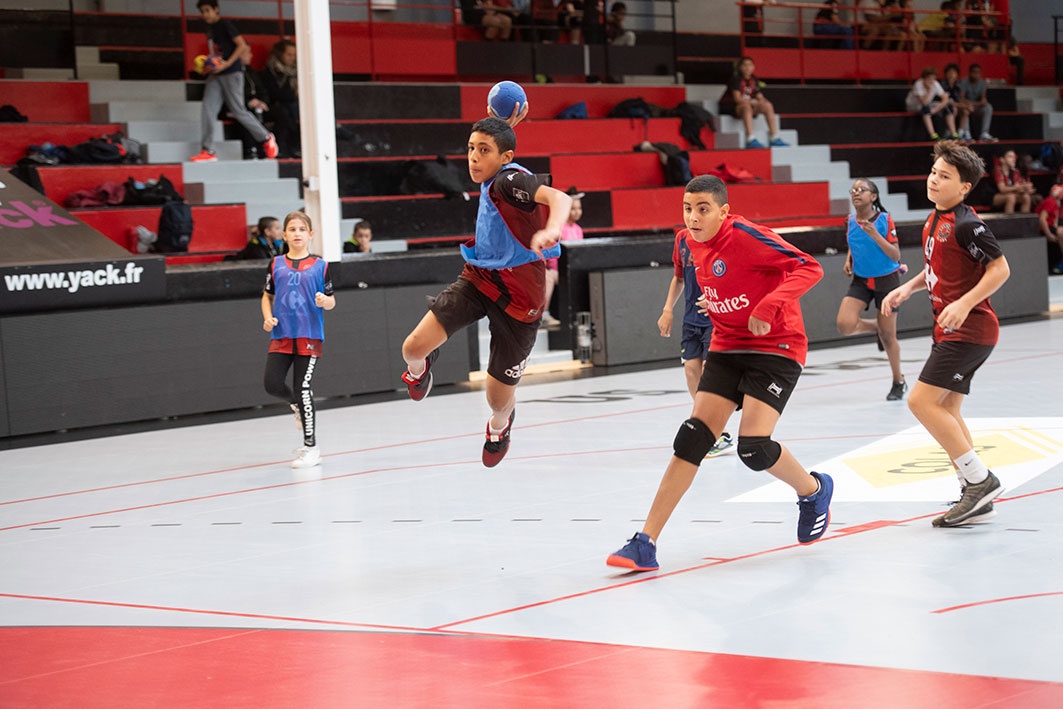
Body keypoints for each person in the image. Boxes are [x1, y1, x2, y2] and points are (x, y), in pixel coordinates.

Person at [606, 175, 830, 572]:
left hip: (776, 347)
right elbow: (725, 280)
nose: (693, 217)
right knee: (692, 437)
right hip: (727, 345)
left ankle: (813, 490)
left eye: (703, 209)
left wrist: (767, 305)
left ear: (724, 211)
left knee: (753, 448)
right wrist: (720, 302)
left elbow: (809, 267)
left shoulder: (746, 235)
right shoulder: (687, 241)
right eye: (687, 209)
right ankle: (645, 542)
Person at [399, 116, 572, 467]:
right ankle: (422, 368)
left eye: (483, 150)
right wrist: (502, 121)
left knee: (497, 399)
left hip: (521, 298)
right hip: (481, 278)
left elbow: (560, 198)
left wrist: (553, 229)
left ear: (505, 157)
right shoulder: (496, 170)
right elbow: (497, 140)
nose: (474, 158)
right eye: (470, 149)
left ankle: (499, 425)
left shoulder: (509, 181)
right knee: (411, 348)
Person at [881, 141, 1009, 527]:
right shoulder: (935, 219)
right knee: (948, 410)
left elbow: (1000, 269)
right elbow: (936, 266)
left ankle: (980, 481)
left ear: (964, 187)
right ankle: (973, 490)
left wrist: (966, 303)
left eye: (945, 176)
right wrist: (908, 288)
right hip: (948, 328)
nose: (934, 180)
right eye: (934, 172)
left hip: (970, 330)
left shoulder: (969, 224)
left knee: (921, 402)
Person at [261, 211, 336, 469]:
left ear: (310, 234)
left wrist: (325, 301)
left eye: (302, 229)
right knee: (272, 384)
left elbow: (332, 300)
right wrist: (267, 317)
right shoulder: (275, 264)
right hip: (281, 334)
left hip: (309, 335)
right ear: (284, 235)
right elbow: (267, 295)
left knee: (303, 387)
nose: (297, 234)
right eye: (292, 229)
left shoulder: (320, 266)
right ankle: (295, 404)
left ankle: (311, 448)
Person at [657, 225, 736, 458]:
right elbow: (678, 278)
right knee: (691, 372)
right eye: (688, 209)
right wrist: (667, 309)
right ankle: (714, 430)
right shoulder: (682, 239)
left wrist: (717, 297)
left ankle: (714, 431)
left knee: (709, 374)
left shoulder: (723, 238)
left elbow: (734, 277)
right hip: (691, 320)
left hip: (716, 319)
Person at [835, 178, 907, 401]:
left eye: (862, 190)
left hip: (887, 281)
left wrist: (875, 234)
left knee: (889, 337)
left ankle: (898, 381)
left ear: (873, 197)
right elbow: (854, 242)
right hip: (861, 280)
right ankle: (877, 327)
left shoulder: (884, 220)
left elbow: (896, 255)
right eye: (853, 190)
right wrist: (849, 259)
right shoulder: (849, 221)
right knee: (845, 325)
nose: (856, 193)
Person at [190, 0, 277, 163]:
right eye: (202, 11)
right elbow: (217, 52)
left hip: (232, 73)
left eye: (208, 10)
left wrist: (228, 64)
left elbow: (242, 45)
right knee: (208, 109)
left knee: (238, 110)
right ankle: (208, 150)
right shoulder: (209, 28)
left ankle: (266, 137)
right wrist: (208, 65)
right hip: (217, 73)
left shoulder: (225, 24)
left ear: (216, 9)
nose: (205, 14)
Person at [718, 56, 788, 149]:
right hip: (731, 107)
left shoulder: (754, 79)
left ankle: (774, 138)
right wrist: (752, 102)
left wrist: (762, 102)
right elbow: (737, 99)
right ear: (740, 67)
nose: (747, 68)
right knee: (746, 106)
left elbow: (759, 96)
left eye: (750, 65)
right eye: (745, 65)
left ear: (753, 67)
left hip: (748, 106)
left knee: (768, 105)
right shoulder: (736, 79)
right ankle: (750, 139)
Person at [542, 186, 584, 328]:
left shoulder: (578, 230)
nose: (576, 212)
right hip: (558, 270)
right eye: (572, 208)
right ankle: (544, 315)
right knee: (548, 277)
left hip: (575, 269)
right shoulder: (558, 228)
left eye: (579, 208)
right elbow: (551, 253)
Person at [263, 39, 300, 159]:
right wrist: (294, 95)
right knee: (286, 112)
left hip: (291, 105)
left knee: (292, 109)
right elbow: (274, 93)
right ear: (280, 54)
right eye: (289, 54)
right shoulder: (271, 70)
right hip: (275, 105)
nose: (292, 58)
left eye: (294, 55)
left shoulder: (297, 71)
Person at [905, 66, 957, 142]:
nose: (931, 81)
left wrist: (935, 110)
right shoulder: (918, 84)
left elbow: (945, 99)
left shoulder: (935, 83)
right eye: (929, 79)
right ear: (924, 78)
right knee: (926, 109)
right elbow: (924, 102)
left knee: (948, 107)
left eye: (933, 78)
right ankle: (933, 135)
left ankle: (954, 134)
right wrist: (928, 90)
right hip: (913, 106)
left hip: (928, 105)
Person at [956, 63, 996, 143]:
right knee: (965, 109)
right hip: (965, 106)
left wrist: (974, 104)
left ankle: (984, 133)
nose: (976, 75)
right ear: (970, 73)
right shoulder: (964, 81)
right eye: (974, 72)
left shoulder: (982, 83)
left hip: (975, 106)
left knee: (988, 107)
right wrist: (970, 104)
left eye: (978, 73)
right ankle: (967, 134)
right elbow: (961, 99)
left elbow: (983, 101)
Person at [991, 149, 1035, 214]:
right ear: (1002, 159)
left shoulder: (1015, 171)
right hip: (995, 196)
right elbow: (1002, 189)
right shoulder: (998, 170)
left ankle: (1024, 219)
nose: (1014, 159)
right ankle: (1009, 220)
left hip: (1011, 193)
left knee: (1026, 197)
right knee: (1011, 197)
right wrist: (1018, 187)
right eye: (1010, 157)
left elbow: (1019, 187)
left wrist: (1025, 188)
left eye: (1014, 157)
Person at [1036, 184, 1063, 274]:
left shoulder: (1056, 203)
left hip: (1051, 227)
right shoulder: (1050, 201)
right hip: (1044, 229)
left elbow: (1055, 221)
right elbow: (1042, 219)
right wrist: (1048, 234)